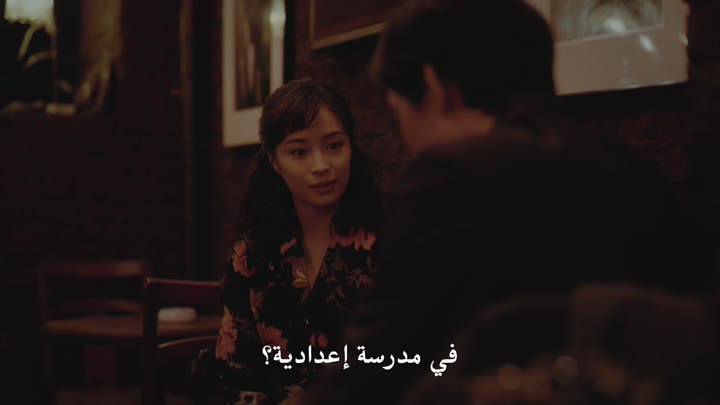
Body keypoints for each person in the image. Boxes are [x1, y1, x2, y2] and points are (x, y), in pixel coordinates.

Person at [295, 0, 715, 403]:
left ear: (435, 87)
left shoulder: (449, 180)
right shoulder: (638, 174)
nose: (407, 138)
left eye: (398, 110)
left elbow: (369, 373)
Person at [195, 78, 381, 404]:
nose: (321, 166)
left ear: (351, 148)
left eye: (334, 146)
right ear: (274, 161)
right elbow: (235, 373)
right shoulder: (251, 256)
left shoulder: (388, 246)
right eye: (299, 152)